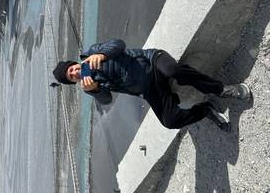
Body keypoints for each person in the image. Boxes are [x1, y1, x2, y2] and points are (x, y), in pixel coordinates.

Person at [52, 39, 251, 132]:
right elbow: (107, 100)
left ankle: (221, 90)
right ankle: (205, 109)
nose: (75, 73)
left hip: (152, 61)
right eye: (71, 77)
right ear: (73, 82)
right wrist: (94, 90)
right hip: (148, 89)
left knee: (174, 71)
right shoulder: (89, 85)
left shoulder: (93, 52)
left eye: (72, 70)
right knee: (170, 121)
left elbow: (118, 44)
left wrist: (101, 55)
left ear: (73, 64)